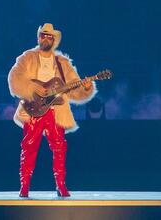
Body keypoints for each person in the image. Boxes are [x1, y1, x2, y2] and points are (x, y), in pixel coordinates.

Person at [8, 23, 96, 198]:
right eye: (43, 35)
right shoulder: (27, 57)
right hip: (33, 108)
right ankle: (24, 185)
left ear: (54, 40)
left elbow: (75, 90)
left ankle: (60, 185)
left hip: (56, 110)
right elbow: (14, 78)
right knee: (29, 146)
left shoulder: (62, 63)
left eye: (49, 36)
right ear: (39, 37)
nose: (46, 39)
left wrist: (86, 87)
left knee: (59, 147)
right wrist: (32, 87)